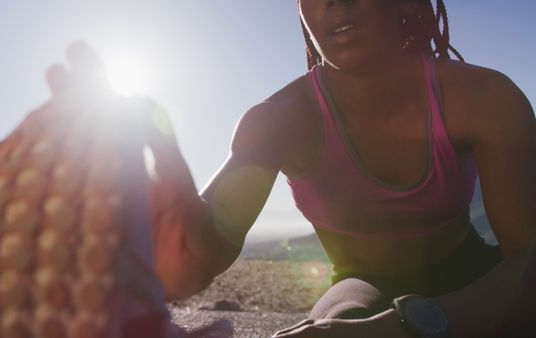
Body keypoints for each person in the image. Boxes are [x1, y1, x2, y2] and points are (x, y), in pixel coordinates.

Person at [45, 0, 536, 336]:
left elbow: (528, 262)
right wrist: (153, 245)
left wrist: (408, 326)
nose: (335, 1)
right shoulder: (277, 122)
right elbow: (202, 245)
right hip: (361, 285)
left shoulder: (484, 98)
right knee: (338, 319)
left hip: (476, 275)